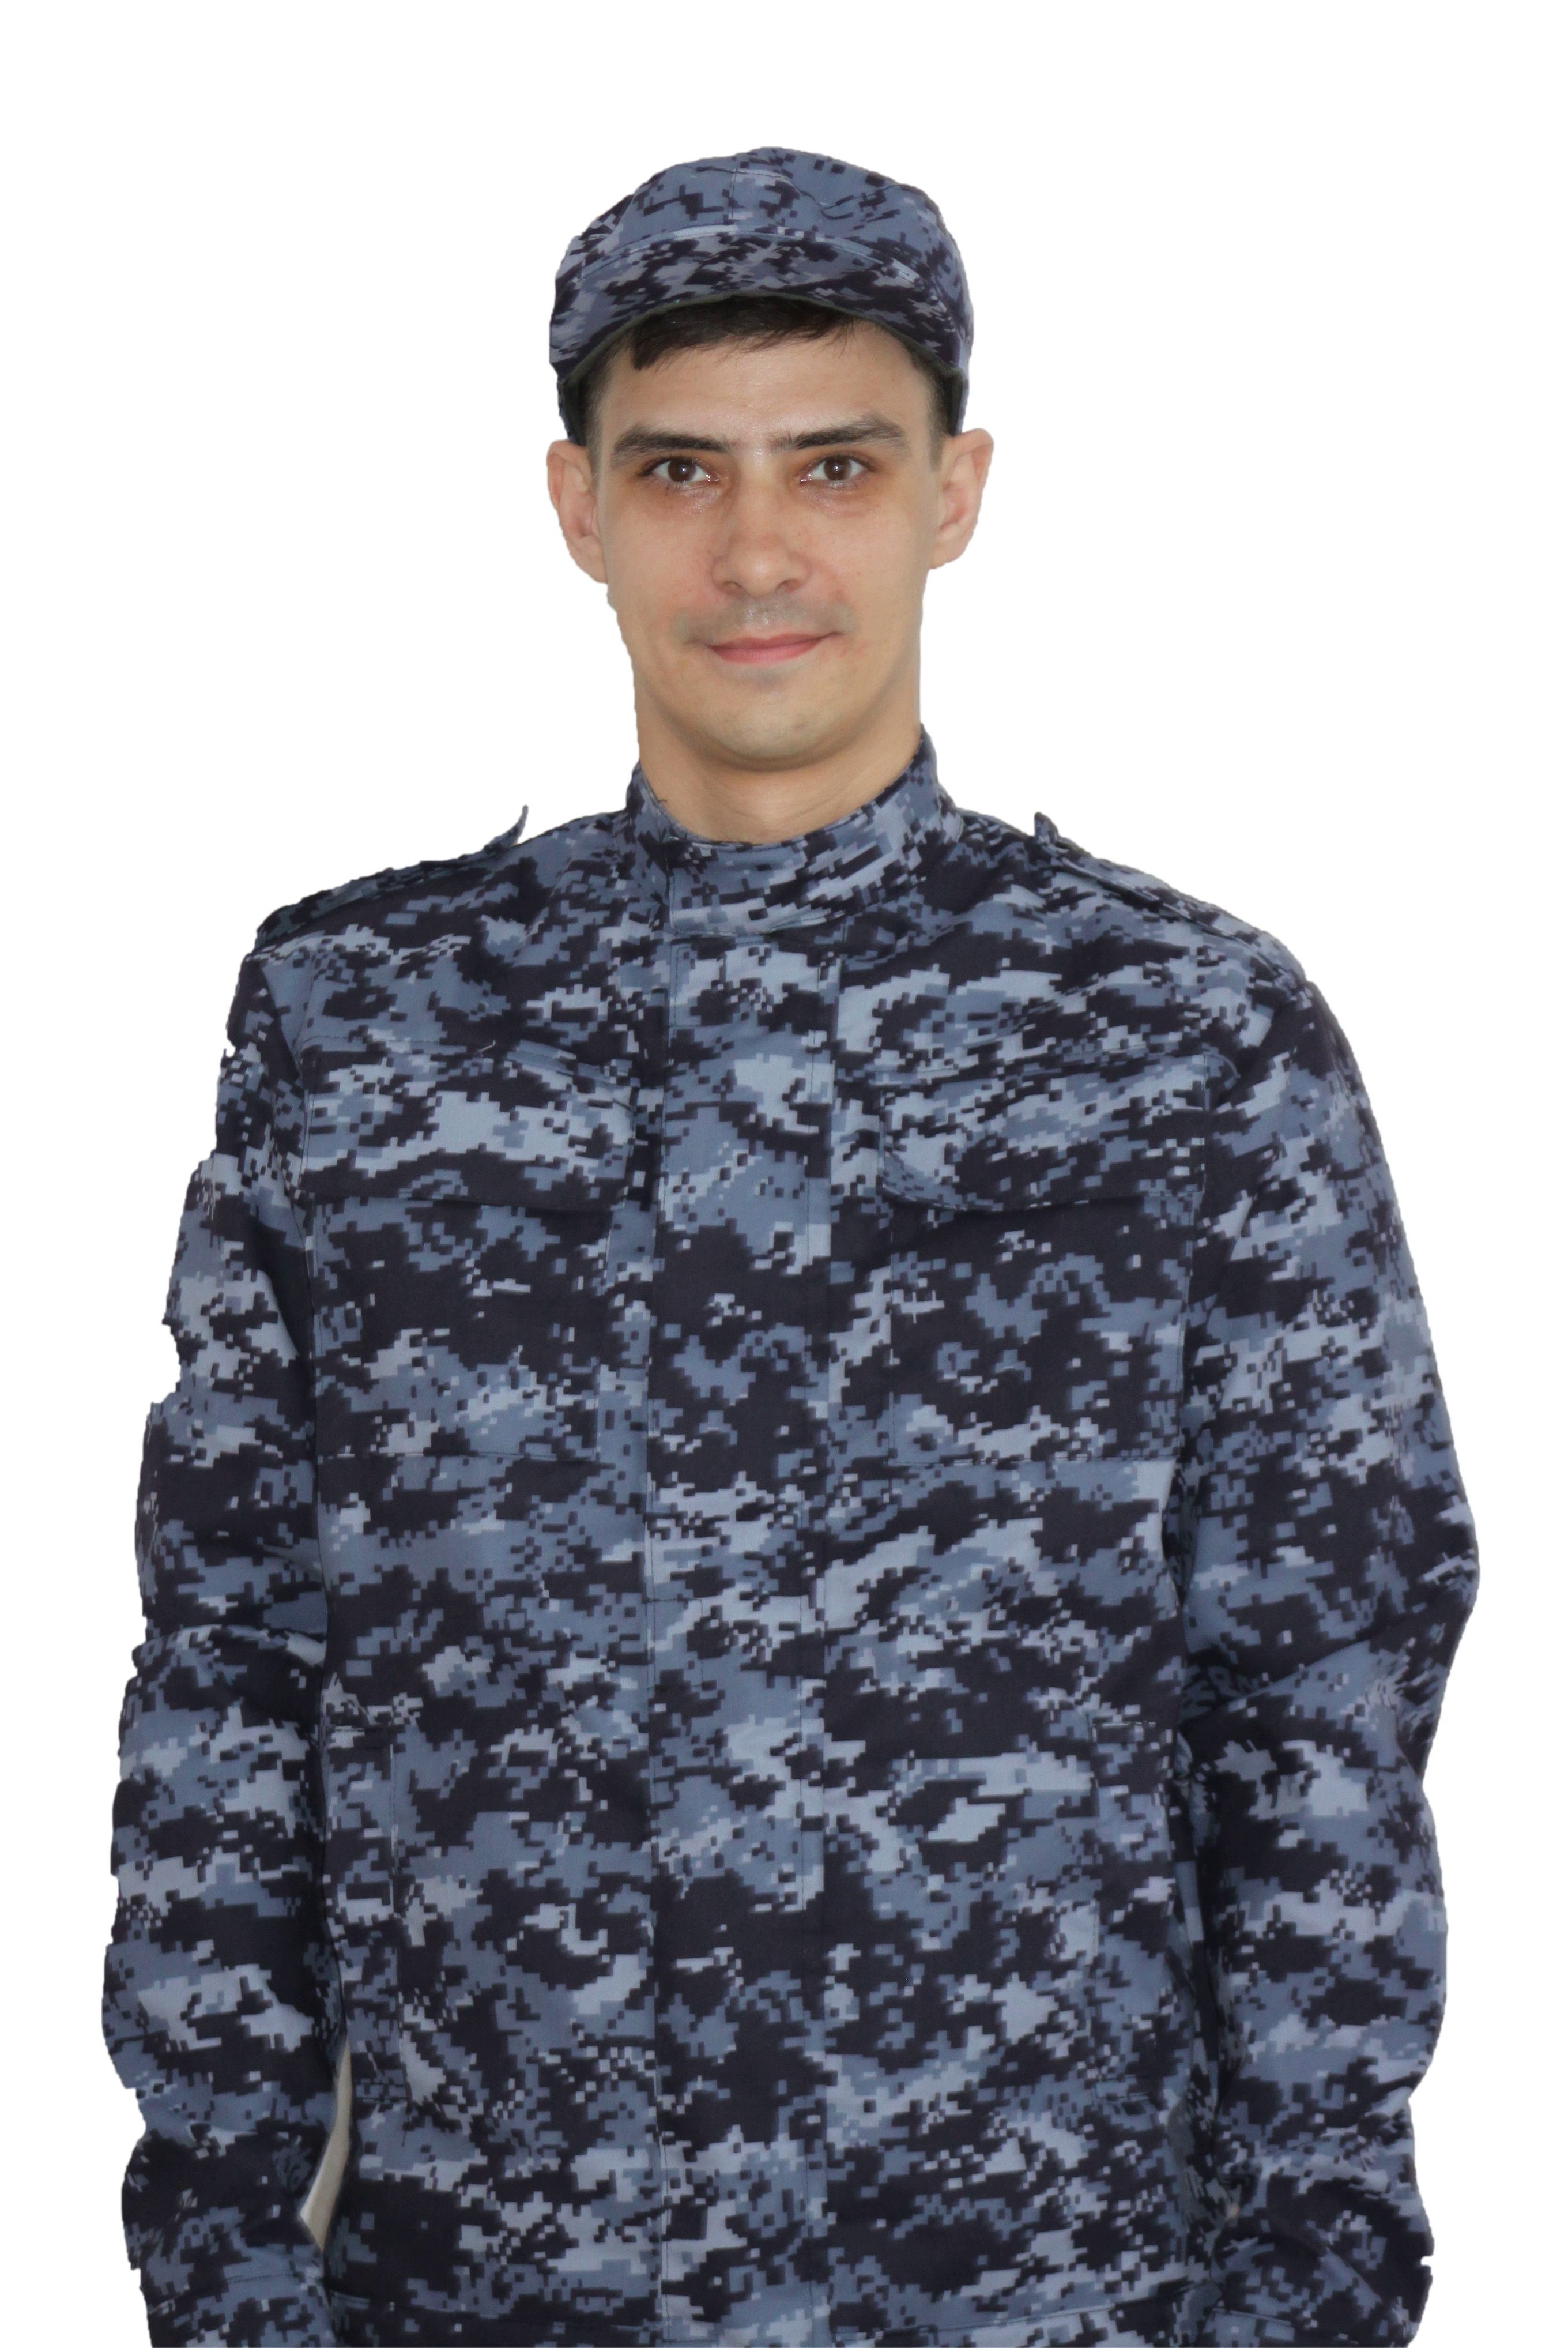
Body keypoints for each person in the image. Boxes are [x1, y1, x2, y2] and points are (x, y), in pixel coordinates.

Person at [103, 148, 1478, 2348]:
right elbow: (232, 1671)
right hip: (484, 2292)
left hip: (1047, 2296)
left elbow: (1322, 1692)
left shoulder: (1189, 1037)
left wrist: (1313, 2287)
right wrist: (228, 2268)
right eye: (681, 470)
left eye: (836, 465)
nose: (757, 554)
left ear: (955, 493)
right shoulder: (362, 1023)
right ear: (578, 506)